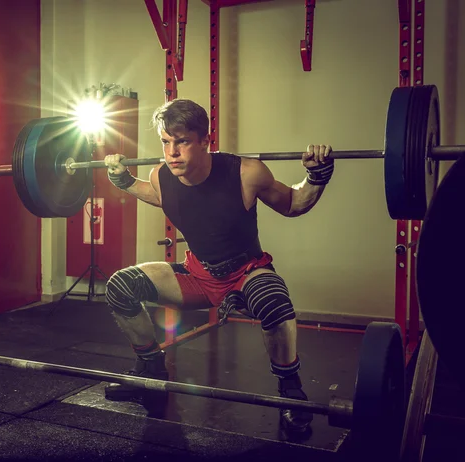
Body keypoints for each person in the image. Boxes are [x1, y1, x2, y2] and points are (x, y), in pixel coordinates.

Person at [102, 98, 334, 434]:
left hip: (245, 274)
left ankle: (290, 391)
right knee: (121, 286)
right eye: (166, 142)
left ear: (204, 141)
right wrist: (123, 181)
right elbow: (158, 195)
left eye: (182, 141)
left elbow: (294, 204)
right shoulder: (161, 175)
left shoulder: (246, 172)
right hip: (199, 275)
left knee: (274, 301)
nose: (172, 152)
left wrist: (316, 175)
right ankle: (151, 371)